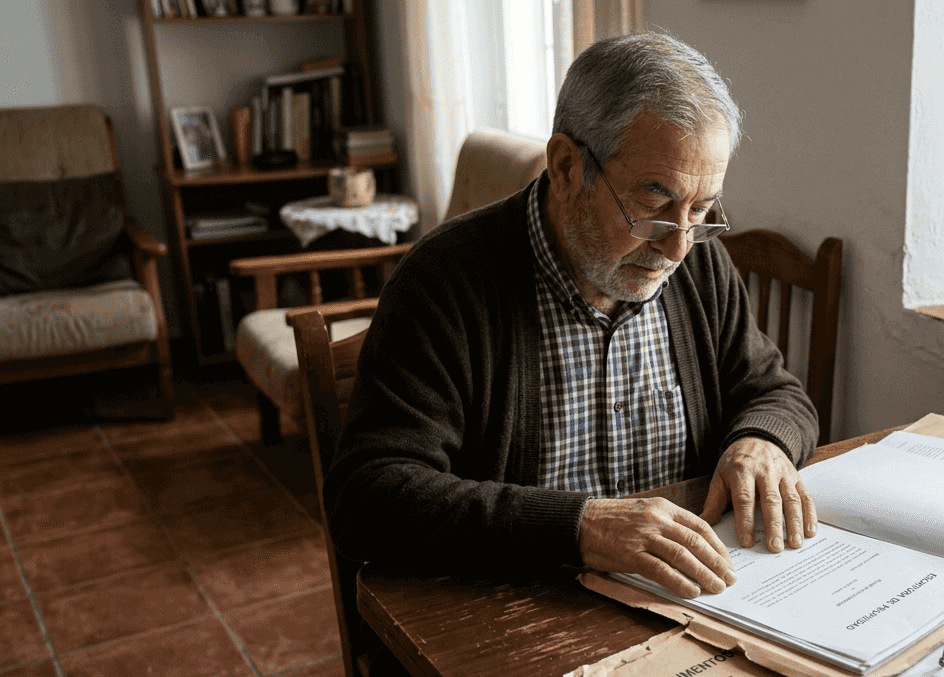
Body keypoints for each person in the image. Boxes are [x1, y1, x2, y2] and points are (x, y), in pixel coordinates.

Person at [325, 32, 819, 602]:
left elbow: (779, 394)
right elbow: (368, 497)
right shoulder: (445, 281)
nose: (679, 246)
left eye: (702, 210)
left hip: (688, 601)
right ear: (565, 167)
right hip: (513, 605)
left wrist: (762, 440)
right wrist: (578, 528)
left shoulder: (699, 264)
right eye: (655, 206)